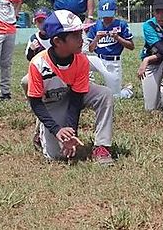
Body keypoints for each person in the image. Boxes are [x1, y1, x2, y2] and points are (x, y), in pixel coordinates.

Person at [26, 10, 115, 165]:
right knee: (56, 156)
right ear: (58, 41)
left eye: (81, 34)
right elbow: (36, 103)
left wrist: (70, 132)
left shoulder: (81, 60)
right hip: (51, 101)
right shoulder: (38, 63)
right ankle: (41, 132)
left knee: (104, 94)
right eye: (75, 36)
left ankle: (102, 146)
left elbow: (76, 98)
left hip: (71, 94)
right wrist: (57, 129)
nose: (81, 39)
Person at [86, 0, 135, 99]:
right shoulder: (96, 25)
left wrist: (118, 38)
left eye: (108, 15)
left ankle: (127, 91)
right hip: (98, 59)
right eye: (104, 15)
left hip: (113, 62)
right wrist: (97, 39)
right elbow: (90, 49)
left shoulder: (121, 25)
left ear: (114, 12)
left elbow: (131, 46)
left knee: (114, 96)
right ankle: (84, 87)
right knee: (79, 61)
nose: (106, 18)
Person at [20, 7, 52, 94]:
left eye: (44, 21)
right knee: (25, 82)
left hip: (57, 70)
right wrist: (31, 49)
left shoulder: (57, 36)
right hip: (40, 71)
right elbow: (29, 58)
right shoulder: (34, 38)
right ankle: (34, 102)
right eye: (39, 21)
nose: (42, 24)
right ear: (36, 23)